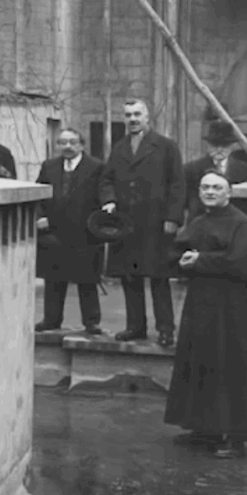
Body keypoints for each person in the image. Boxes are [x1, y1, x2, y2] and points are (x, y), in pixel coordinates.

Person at [165, 171, 247, 458]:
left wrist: (201, 259)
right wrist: (181, 260)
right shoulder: (198, 221)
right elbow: (177, 250)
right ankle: (204, 428)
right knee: (201, 361)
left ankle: (236, 437)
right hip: (199, 302)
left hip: (230, 306)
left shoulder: (241, 224)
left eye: (216, 188)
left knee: (231, 365)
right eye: (205, 187)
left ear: (229, 193)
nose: (210, 192)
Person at [101, 98, 185, 346]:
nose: (133, 119)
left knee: (159, 277)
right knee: (129, 276)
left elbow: (177, 184)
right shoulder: (119, 148)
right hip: (126, 223)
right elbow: (106, 180)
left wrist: (173, 217)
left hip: (155, 222)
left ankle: (165, 329)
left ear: (147, 117)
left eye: (137, 114)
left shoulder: (166, 146)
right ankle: (135, 327)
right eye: (128, 115)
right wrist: (109, 200)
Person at [34, 128, 110, 335]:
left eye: (72, 142)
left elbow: (103, 191)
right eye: (62, 142)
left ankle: (91, 322)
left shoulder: (96, 167)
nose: (67, 146)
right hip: (54, 232)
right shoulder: (49, 166)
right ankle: (51, 320)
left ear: (82, 145)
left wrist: (108, 205)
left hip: (84, 232)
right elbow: (39, 194)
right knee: (53, 279)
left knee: (87, 280)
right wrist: (39, 216)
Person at [184, 118, 247, 219]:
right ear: (207, 146)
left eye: (224, 145)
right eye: (215, 145)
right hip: (201, 222)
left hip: (235, 222)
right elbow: (183, 199)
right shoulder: (191, 170)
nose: (219, 149)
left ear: (232, 146)